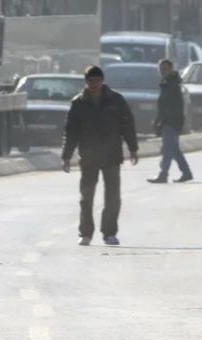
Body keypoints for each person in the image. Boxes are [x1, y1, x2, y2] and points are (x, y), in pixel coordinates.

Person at [61, 65, 139, 246]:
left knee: (112, 197)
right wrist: (66, 156)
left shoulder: (116, 100)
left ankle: (109, 232)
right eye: (90, 81)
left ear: (102, 81)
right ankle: (85, 233)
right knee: (86, 197)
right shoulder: (78, 103)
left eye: (97, 81)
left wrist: (133, 148)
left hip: (111, 155)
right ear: (86, 82)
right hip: (88, 157)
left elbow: (127, 125)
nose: (94, 84)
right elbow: (71, 131)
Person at [148, 59, 193, 184]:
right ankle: (186, 172)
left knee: (168, 149)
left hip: (172, 121)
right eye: (161, 69)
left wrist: (163, 120)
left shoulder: (172, 85)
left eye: (165, 69)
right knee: (173, 149)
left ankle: (163, 175)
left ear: (171, 69)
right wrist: (157, 120)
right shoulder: (166, 84)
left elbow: (173, 106)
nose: (163, 71)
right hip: (168, 121)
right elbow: (162, 106)